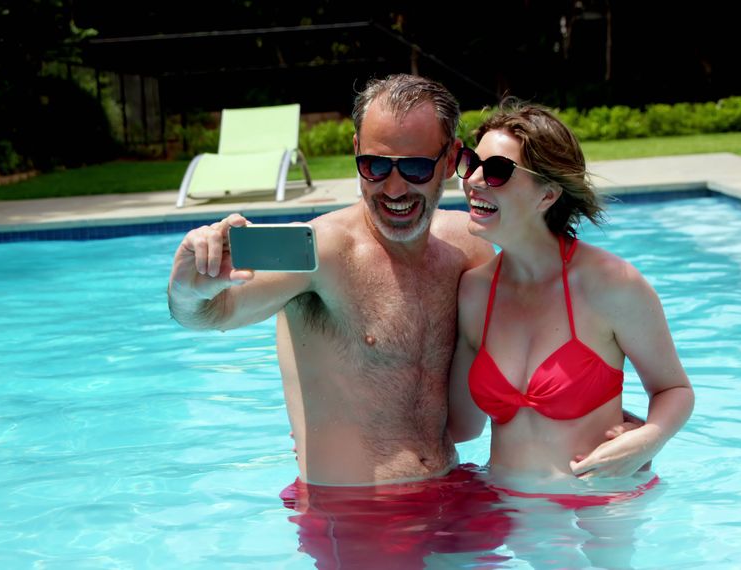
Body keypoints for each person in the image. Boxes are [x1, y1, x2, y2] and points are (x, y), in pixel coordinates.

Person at [169, 74, 510, 565]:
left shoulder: (470, 249)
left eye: (414, 167)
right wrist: (187, 287)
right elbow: (207, 314)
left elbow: (529, 336)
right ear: (355, 151)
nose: (394, 188)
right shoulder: (322, 252)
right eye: (374, 166)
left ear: (453, 159)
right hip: (356, 515)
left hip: (454, 488)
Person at [449, 101, 695, 488]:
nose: (473, 180)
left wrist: (648, 441)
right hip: (502, 501)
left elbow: (674, 389)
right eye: (470, 162)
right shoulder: (475, 291)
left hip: (598, 504)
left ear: (547, 195)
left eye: (496, 171)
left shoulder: (613, 284)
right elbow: (460, 426)